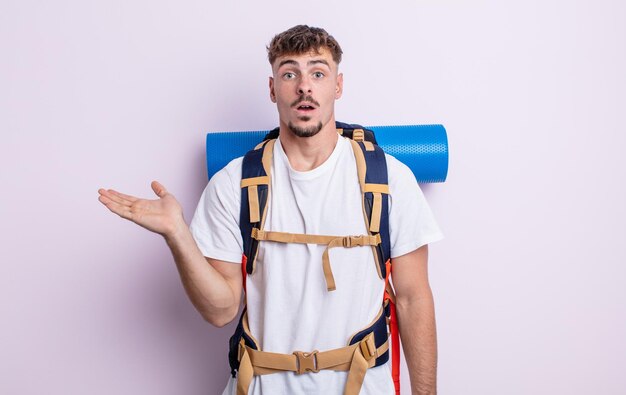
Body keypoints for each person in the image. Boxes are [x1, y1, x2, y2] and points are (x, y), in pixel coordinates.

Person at [98, 25, 443, 395]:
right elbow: (219, 310)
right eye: (289, 73)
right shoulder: (234, 183)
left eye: (318, 73)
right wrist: (177, 234)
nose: (304, 87)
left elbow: (412, 298)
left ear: (337, 86)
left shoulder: (389, 178)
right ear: (272, 88)